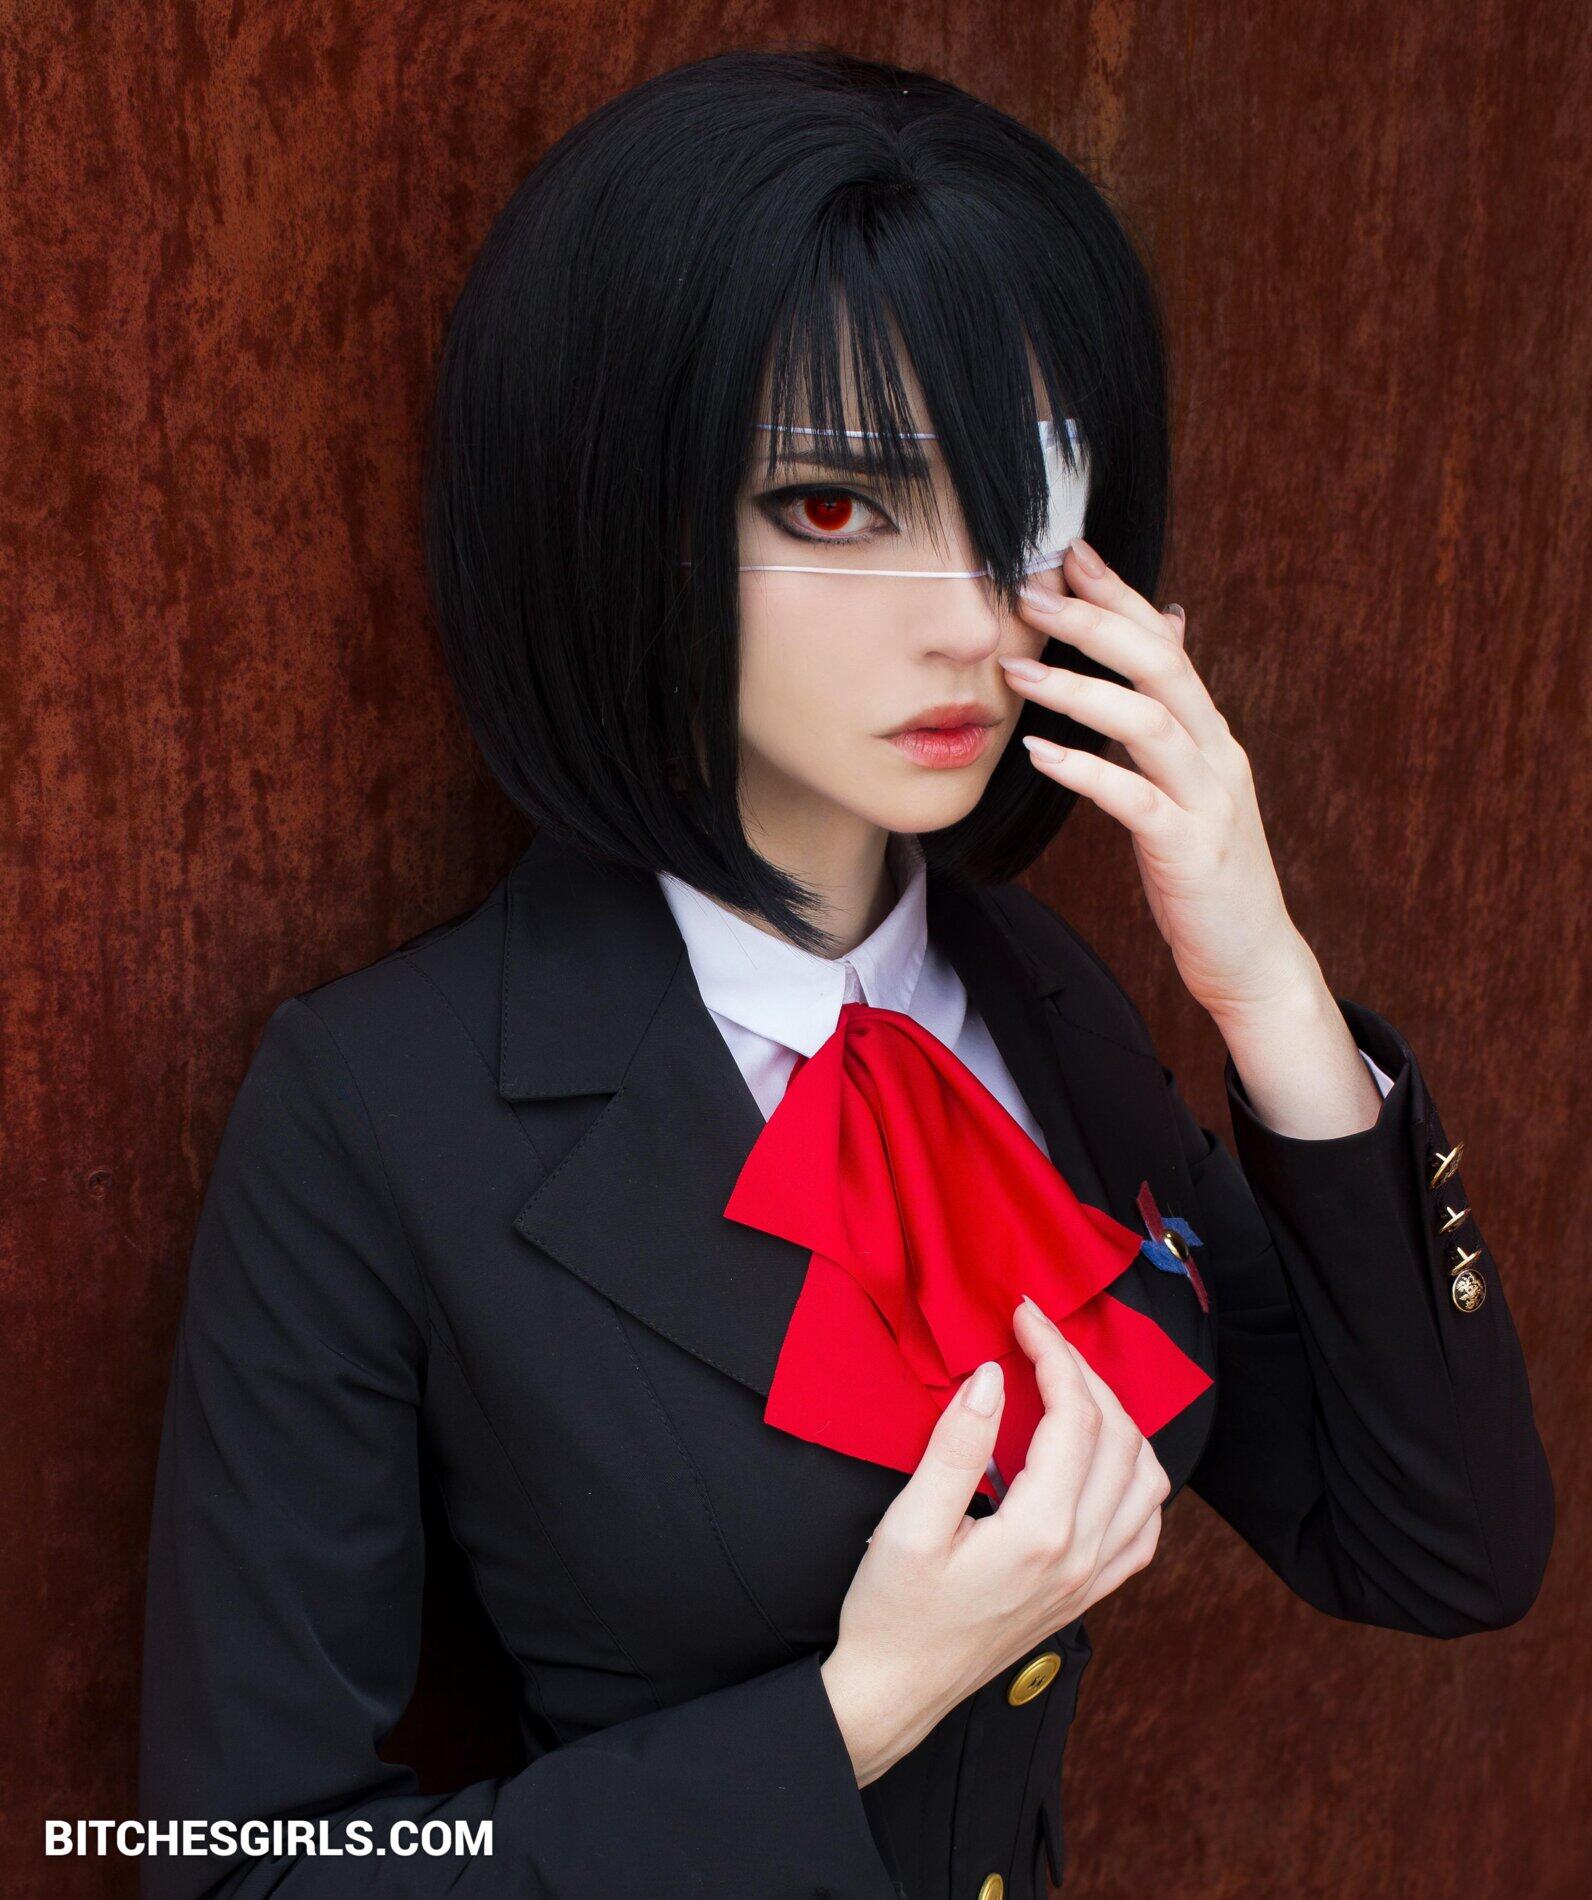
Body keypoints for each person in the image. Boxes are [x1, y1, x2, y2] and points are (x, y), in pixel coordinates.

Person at [137, 45, 1554, 1900]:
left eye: (1021, 499)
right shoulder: (380, 1108)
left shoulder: (1037, 995)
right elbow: (236, 1868)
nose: (966, 622)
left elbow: (1439, 1553)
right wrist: (856, 1710)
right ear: (624, 522)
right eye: (834, 508)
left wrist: (1269, 989)